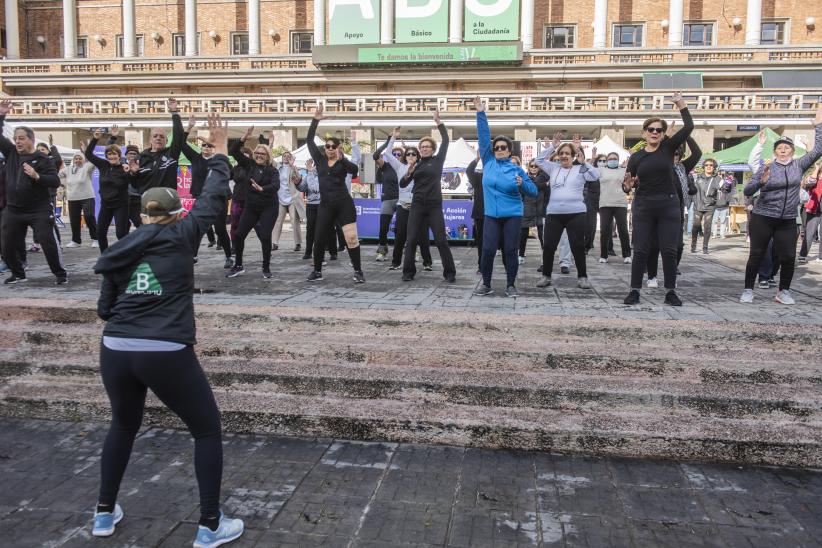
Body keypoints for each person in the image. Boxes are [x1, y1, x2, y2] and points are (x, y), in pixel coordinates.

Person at [91, 113, 244, 548]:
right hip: (164, 348)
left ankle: (104, 514)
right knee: (206, 429)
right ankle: (210, 525)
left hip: (116, 348)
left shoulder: (121, 247)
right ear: (178, 213)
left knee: (122, 426)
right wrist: (218, 153)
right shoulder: (183, 234)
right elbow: (214, 199)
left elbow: (105, 307)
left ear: (142, 215)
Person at [740, 106, 822, 304]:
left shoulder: (799, 165)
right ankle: (748, 289)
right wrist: (761, 181)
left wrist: (818, 126)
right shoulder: (766, 167)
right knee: (757, 254)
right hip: (763, 217)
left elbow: (819, 149)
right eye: (779, 148)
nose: (783, 150)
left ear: (792, 151)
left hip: (786, 219)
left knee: (787, 257)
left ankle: (783, 291)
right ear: (775, 151)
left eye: (786, 148)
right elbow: (748, 190)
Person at [623, 91, 693, 306]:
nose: (655, 132)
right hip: (644, 205)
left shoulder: (668, 148)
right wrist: (627, 186)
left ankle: (670, 291)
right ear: (644, 133)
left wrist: (680, 103)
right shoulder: (636, 157)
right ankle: (635, 290)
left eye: (659, 130)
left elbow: (689, 126)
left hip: (668, 204)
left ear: (663, 134)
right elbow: (628, 183)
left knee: (669, 250)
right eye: (651, 129)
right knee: (641, 249)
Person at [472, 98, 538, 297]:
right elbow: (484, 137)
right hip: (491, 215)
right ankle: (486, 283)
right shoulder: (488, 162)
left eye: (503, 147)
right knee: (488, 250)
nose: (499, 149)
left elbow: (533, 191)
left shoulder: (516, 169)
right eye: (497, 147)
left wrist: (522, 184)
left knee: (510, 250)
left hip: (513, 215)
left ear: (510, 151)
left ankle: (510, 285)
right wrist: (481, 113)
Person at [0, 99, 68, 285]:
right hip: (13, 209)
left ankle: (60, 275)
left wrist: (37, 176)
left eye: (21, 138)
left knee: (48, 244)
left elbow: (54, 181)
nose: (18, 142)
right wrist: (2, 115)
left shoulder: (43, 158)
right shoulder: (12, 153)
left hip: (39, 209)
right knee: (6, 245)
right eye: (16, 139)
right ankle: (18, 273)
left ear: (31, 139)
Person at [305, 104, 364, 283]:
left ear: (338, 148)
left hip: (344, 204)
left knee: (351, 238)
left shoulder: (342, 163)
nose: (330, 148)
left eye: (333, 146)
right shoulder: (320, 160)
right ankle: (317, 271)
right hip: (326, 205)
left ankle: (358, 271)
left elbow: (355, 170)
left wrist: (342, 159)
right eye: (328, 146)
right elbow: (309, 141)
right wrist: (315, 120)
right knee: (319, 238)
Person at [534, 133, 600, 289]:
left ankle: (582, 277)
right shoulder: (553, 168)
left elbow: (595, 176)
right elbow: (538, 161)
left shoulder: (580, 169)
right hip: (554, 214)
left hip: (576, 214)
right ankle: (546, 276)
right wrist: (552, 147)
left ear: (573, 156)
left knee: (577, 246)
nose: (564, 156)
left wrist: (585, 162)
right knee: (549, 246)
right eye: (561, 153)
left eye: (567, 153)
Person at [400, 109, 456, 282]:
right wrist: (409, 173)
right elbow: (402, 185)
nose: (424, 149)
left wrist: (439, 123)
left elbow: (446, 140)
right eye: (421, 147)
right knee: (411, 240)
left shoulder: (437, 161)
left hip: (433, 206)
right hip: (417, 205)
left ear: (432, 149)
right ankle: (408, 272)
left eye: (427, 147)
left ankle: (450, 273)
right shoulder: (415, 165)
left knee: (440, 240)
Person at [179, 114, 233, 269]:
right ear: (201, 148)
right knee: (196, 228)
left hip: (219, 199)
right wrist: (189, 128)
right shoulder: (196, 158)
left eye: (210, 146)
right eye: (205, 146)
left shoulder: (219, 160)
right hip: (200, 198)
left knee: (220, 229)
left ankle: (229, 256)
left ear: (213, 148)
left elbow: (231, 172)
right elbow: (181, 144)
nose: (207, 148)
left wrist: (221, 149)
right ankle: (193, 255)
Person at [646, 137, 701, 286]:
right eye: (671, 154)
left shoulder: (682, 168)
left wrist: (686, 134)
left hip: (675, 211)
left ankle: (670, 274)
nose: (673, 157)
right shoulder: (656, 166)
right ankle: (652, 276)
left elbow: (697, 153)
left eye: (676, 154)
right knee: (654, 245)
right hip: (656, 210)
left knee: (677, 246)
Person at [227, 126, 280, 279]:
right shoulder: (249, 165)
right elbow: (234, 151)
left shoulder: (272, 171)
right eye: (257, 153)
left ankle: (266, 266)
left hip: (268, 207)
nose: (258, 156)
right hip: (251, 207)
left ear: (268, 156)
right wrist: (243, 138)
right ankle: (238, 265)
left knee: (264, 235)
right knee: (238, 235)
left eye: (262, 154)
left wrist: (262, 188)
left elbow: (276, 186)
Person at [378, 129, 433, 271]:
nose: (410, 156)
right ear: (405, 156)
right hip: (402, 205)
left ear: (418, 156)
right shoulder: (399, 166)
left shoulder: (422, 167)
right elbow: (388, 153)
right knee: (400, 235)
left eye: (413, 154)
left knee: (423, 236)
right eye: (408, 154)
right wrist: (393, 138)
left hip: (419, 205)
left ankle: (427, 262)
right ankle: (396, 262)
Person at [85, 127, 133, 252]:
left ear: (119, 155)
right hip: (106, 204)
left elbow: (129, 183)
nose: (112, 157)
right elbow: (88, 154)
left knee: (121, 234)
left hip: (121, 205)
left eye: (114, 154)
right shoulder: (103, 165)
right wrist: (95, 139)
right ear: (106, 156)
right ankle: (105, 257)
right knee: (100, 232)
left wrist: (128, 173)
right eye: (109, 155)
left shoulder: (124, 168)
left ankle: (126, 255)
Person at [133, 98, 184, 194]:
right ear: (150, 140)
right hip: (148, 203)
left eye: (162, 136)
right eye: (155, 136)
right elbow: (135, 185)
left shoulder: (172, 154)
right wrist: (133, 174)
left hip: (168, 202)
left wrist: (174, 113)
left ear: (166, 141)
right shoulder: (140, 158)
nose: (158, 138)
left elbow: (179, 135)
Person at [372, 129, 402, 261]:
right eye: (394, 153)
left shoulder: (406, 166)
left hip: (403, 200)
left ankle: (409, 249)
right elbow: (375, 155)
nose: (396, 155)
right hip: (388, 199)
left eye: (399, 154)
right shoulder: (386, 166)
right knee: (383, 227)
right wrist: (389, 140)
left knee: (403, 228)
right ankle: (382, 249)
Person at [597, 152, 632, 264]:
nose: (613, 160)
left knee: (623, 230)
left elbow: (627, 187)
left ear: (618, 160)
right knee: (604, 231)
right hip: (605, 203)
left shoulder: (624, 170)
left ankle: (627, 255)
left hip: (620, 203)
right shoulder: (601, 170)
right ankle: (604, 255)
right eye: (611, 158)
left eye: (615, 158)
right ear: (607, 160)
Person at [61, 151, 99, 248]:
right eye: (76, 159)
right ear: (73, 160)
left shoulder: (86, 168)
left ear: (83, 160)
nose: (78, 160)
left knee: (89, 216)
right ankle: (76, 241)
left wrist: (87, 151)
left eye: (80, 158)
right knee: (74, 220)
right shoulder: (68, 169)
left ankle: (96, 239)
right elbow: (58, 174)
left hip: (87, 197)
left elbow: (93, 163)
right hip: (73, 198)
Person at [271, 149, 304, 252]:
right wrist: (270, 144)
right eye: (284, 156)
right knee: (278, 220)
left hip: (292, 198)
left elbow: (298, 178)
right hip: (280, 198)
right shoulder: (277, 167)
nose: (286, 157)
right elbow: (270, 159)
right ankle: (274, 243)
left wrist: (292, 166)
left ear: (291, 158)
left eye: (288, 156)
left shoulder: (293, 168)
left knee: (294, 221)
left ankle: (298, 243)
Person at [690, 158, 721, 254]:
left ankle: (705, 247)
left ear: (714, 167)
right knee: (696, 225)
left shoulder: (717, 179)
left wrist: (728, 183)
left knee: (707, 226)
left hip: (710, 206)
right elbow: (690, 189)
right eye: (706, 165)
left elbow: (725, 188)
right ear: (703, 167)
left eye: (711, 165)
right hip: (698, 205)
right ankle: (693, 245)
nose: (708, 167)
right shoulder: (697, 177)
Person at [519, 160, 544, 265]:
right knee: (523, 234)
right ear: (528, 167)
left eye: (536, 166)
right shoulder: (524, 178)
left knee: (542, 235)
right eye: (531, 166)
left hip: (540, 208)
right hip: (527, 208)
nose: (533, 168)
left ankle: (545, 255)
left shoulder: (543, 178)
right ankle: (521, 254)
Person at [799, 162, 821, 263]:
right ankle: (803, 255)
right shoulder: (813, 176)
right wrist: (816, 169)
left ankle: (820, 257)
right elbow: (810, 182)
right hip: (814, 209)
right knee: (810, 233)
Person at [466, 150, 484, 274]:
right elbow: (468, 171)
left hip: (496, 213)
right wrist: (476, 159)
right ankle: (482, 266)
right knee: (481, 242)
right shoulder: (478, 177)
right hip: (480, 214)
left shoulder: (496, 175)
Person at [583, 153, 602, 253]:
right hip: (591, 198)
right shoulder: (592, 171)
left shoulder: (609, 171)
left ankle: (609, 247)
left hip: (604, 199)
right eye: (600, 161)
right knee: (591, 224)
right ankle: (587, 245)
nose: (602, 163)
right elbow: (583, 168)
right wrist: (592, 160)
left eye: (604, 161)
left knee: (608, 225)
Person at [711, 171, 737, 240]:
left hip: (724, 206)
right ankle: (714, 234)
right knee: (714, 221)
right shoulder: (714, 183)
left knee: (723, 221)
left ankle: (722, 234)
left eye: (721, 174)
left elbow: (729, 187)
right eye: (719, 174)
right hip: (715, 206)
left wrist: (729, 180)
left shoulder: (727, 183)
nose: (720, 175)